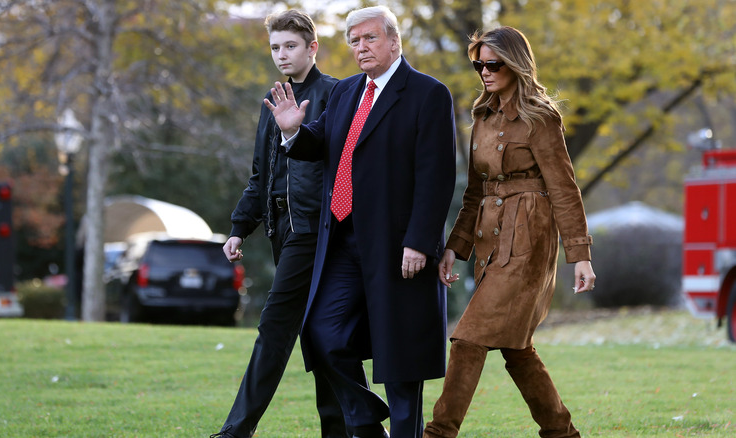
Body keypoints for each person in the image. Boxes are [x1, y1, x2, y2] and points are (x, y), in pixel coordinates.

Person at [264, 6, 456, 438]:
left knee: (402, 360)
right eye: (354, 41)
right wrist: (294, 131)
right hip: (343, 241)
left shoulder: (428, 93)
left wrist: (421, 242)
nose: (361, 48)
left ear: (394, 42)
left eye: (370, 38)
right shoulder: (348, 91)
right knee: (321, 334)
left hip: (399, 245)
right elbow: (322, 142)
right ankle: (368, 423)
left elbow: (436, 175)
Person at [422, 26, 597, 438]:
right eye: (478, 63)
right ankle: (562, 433)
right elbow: (474, 190)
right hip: (490, 240)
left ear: (515, 63)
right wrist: (455, 248)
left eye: (493, 63)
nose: (484, 71)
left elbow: (564, 189)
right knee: (517, 350)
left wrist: (580, 255)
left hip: (530, 243)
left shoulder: (541, 116)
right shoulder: (481, 116)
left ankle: (437, 433)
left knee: (467, 339)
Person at [211, 9, 346, 438]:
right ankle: (348, 429)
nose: (281, 55)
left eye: (290, 46)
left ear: (312, 47)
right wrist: (238, 228)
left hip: (316, 231)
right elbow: (260, 176)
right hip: (281, 230)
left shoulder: (336, 94)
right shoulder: (272, 101)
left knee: (274, 327)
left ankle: (236, 430)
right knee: (319, 334)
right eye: (275, 47)